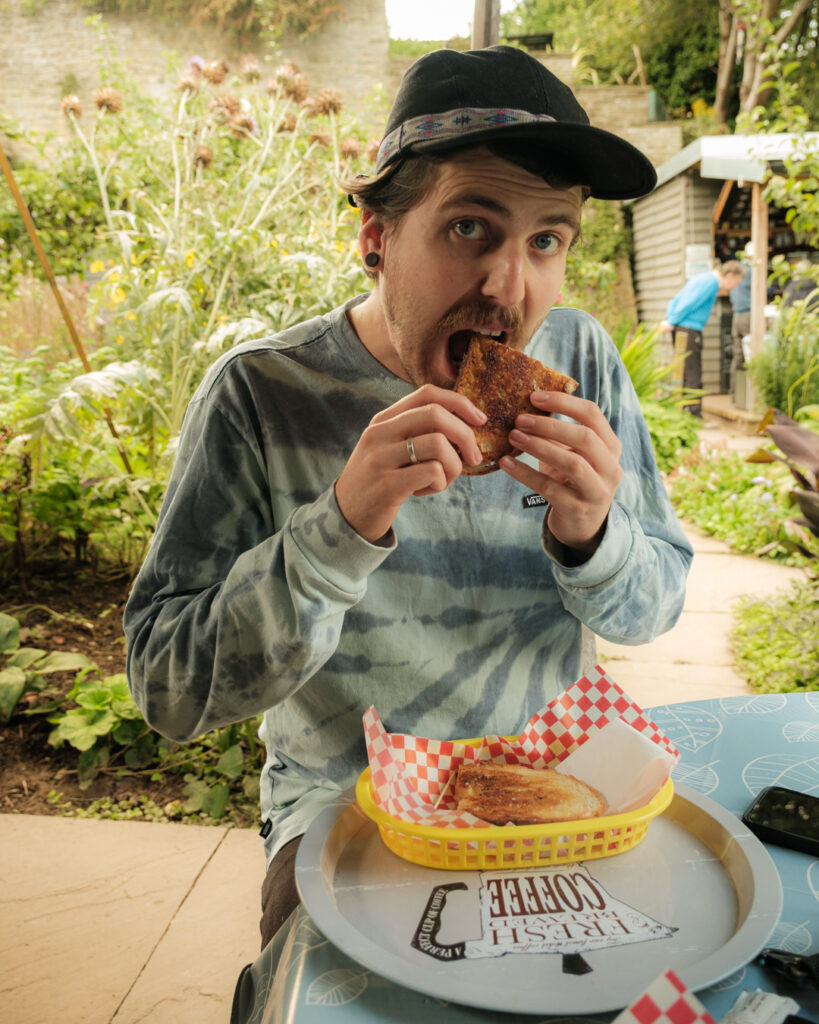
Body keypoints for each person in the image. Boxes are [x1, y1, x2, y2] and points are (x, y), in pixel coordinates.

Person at [123, 45, 693, 950]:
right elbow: (167, 690)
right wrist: (336, 531)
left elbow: (653, 606)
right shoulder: (260, 396)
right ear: (375, 237)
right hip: (346, 808)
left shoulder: (579, 363)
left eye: (546, 239)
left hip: (554, 783)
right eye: (470, 227)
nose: (510, 287)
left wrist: (591, 534)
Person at [660, 260, 746, 416]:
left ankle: (685, 410)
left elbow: (675, 300)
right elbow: (688, 303)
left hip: (683, 328)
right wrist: (671, 321)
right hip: (690, 330)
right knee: (693, 372)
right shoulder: (711, 283)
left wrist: (670, 319)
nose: (735, 287)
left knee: (686, 370)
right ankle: (693, 413)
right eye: (736, 282)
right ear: (730, 275)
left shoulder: (702, 278)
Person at [729, 246, 753, 395]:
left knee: (737, 356)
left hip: (736, 316)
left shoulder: (736, 269)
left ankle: (734, 393)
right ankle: (751, 395)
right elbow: (768, 289)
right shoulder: (751, 270)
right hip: (749, 316)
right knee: (752, 355)